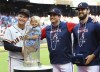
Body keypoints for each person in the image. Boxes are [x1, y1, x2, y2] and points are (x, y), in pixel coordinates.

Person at [41, 8, 76, 72]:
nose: (51, 17)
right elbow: (36, 36)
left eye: (54, 15)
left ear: (59, 16)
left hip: (66, 62)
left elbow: (82, 26)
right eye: (50, 15)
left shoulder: (67, 25)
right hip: (53, 62)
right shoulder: (47, 29)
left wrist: (92, 20)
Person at [72, 2, 100, 72]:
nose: (80, 11)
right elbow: (75, 44)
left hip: (93, 64)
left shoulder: (95, 25)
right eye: (79, 10)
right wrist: (75, 55)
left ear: (88, 10)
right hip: (80, 63)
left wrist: (93, 55)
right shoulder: (75, 27)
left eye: (83, 9)